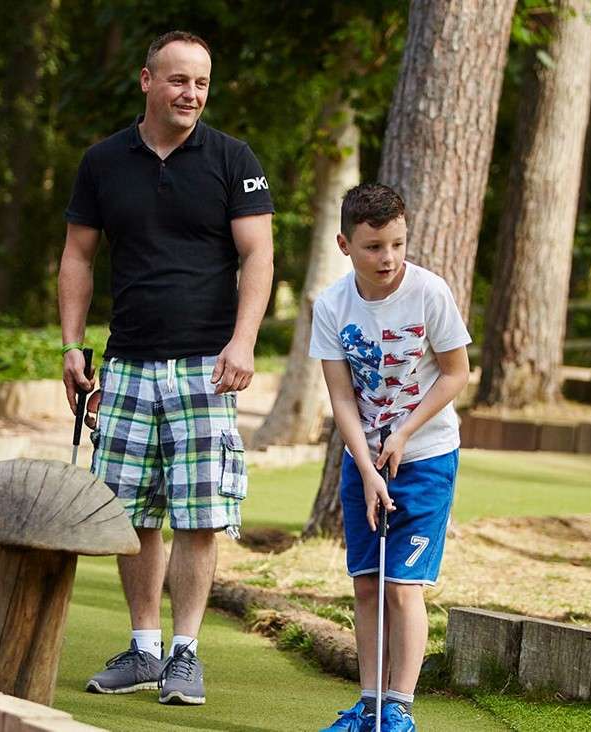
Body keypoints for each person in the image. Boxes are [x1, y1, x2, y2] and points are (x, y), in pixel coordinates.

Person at [57, 30, 274, 706]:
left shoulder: (233, 159)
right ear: (147, 80)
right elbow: (77, 256)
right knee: (132, 514)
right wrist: (71, 345)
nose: (192, 94)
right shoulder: (102, 161)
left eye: (202, 83)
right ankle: (144, 648)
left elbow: (259, 255)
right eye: (179, 80)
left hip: (206, 366)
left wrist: (243, 341)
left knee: (199, 515)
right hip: (126, 364)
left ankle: (185, 655)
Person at [310, 183, 471, 732]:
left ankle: (399, 709)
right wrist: (365, 466)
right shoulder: (332, 305)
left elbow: (456, 373)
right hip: (364, 461)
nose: (389, 258)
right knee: (367, 583)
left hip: (426, 457)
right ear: (345, 245)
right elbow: (341, 398)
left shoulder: (429, 292)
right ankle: (369, 704)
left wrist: (402, 434)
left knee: (402, 587)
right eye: (374, 246)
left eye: (398, 244)